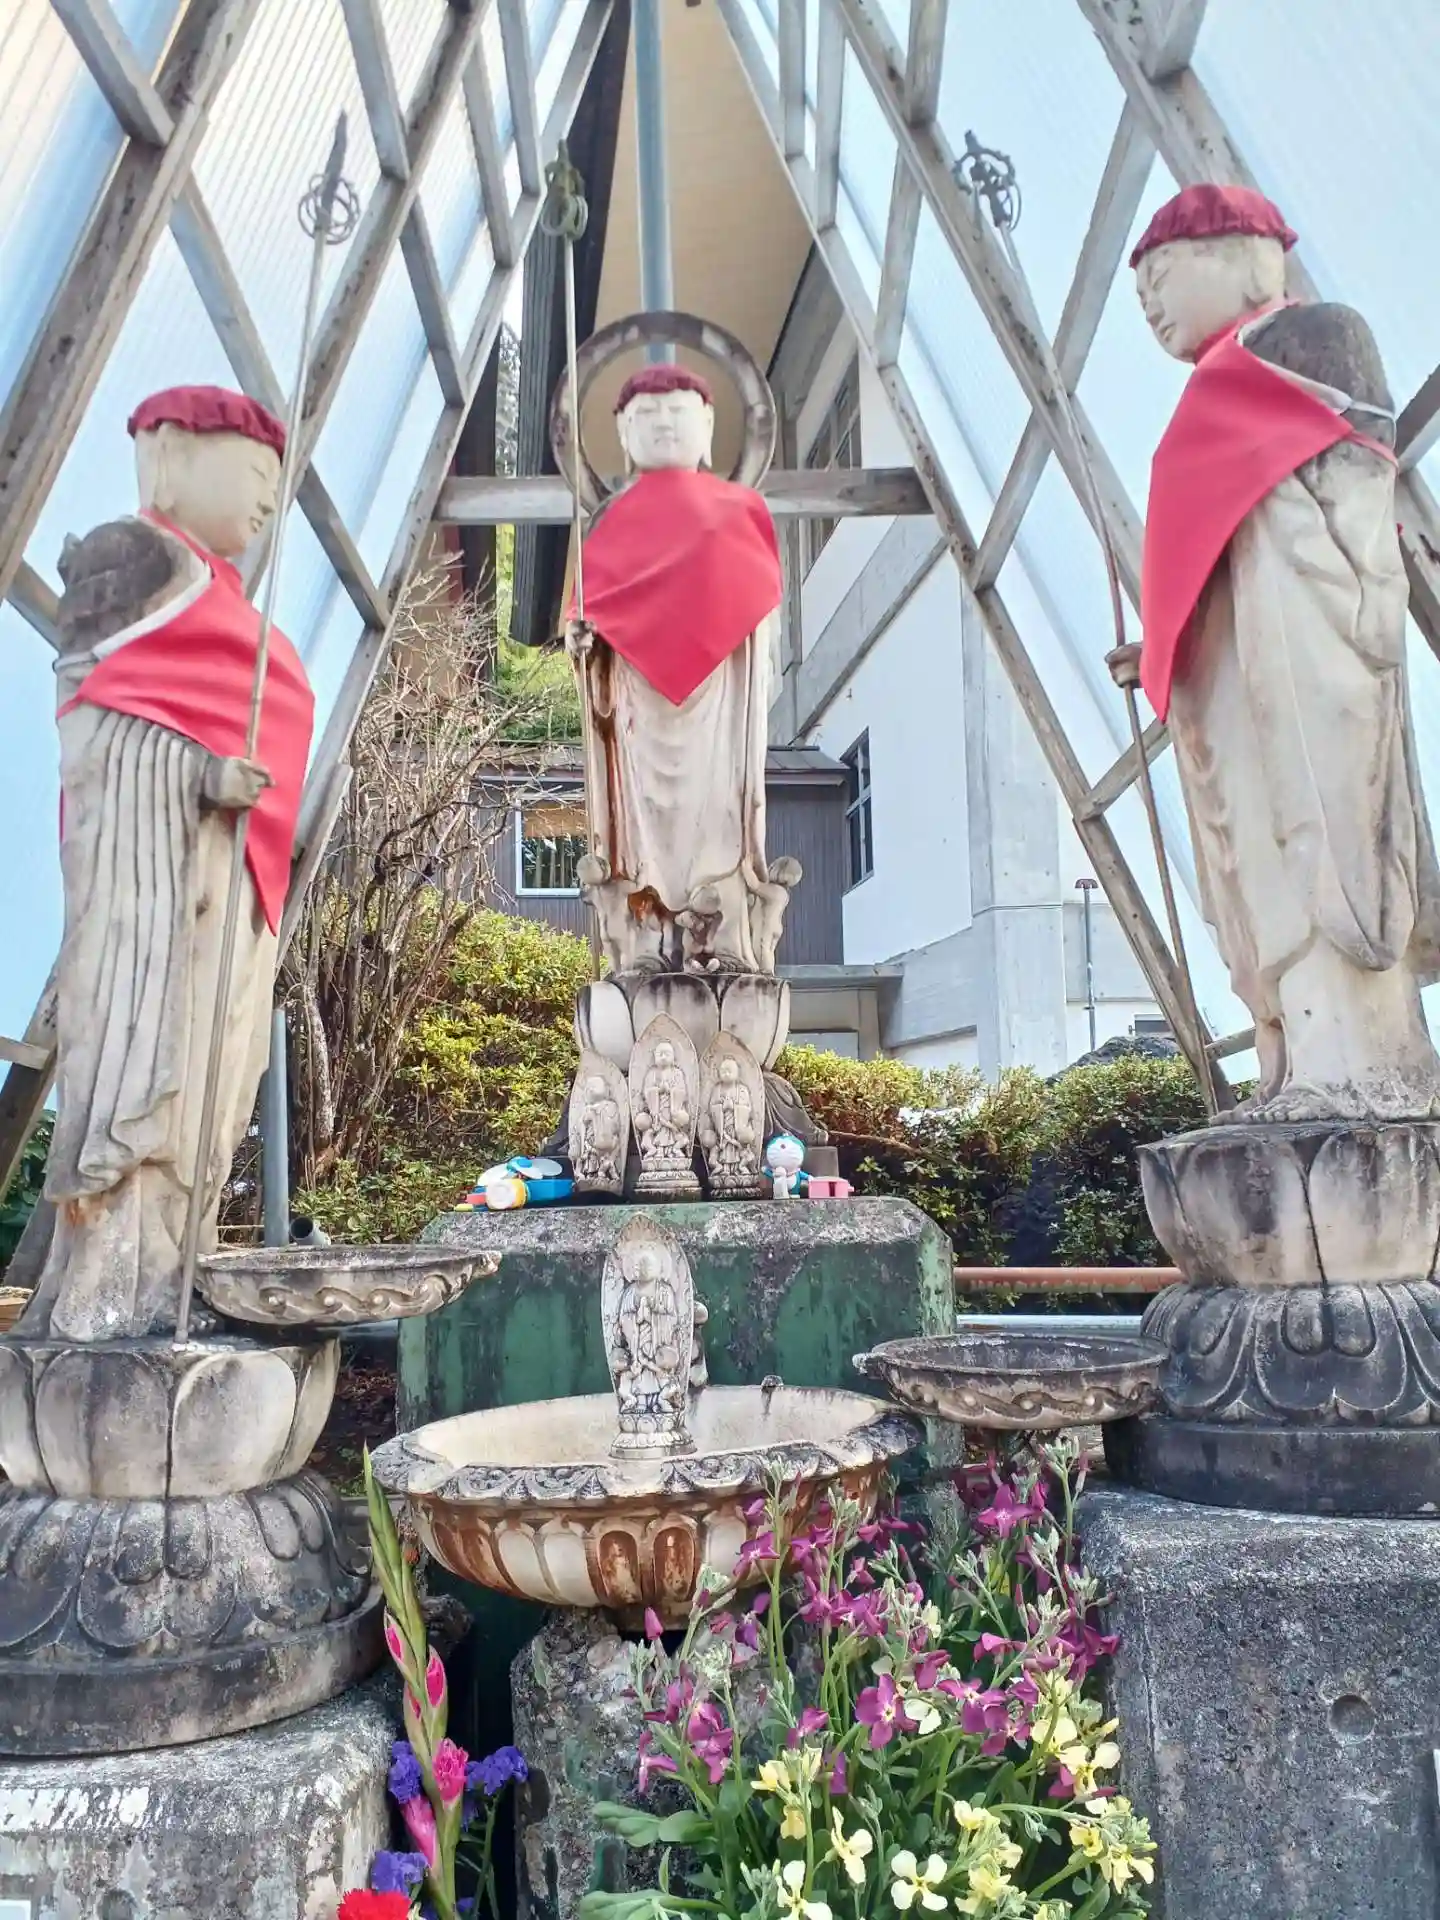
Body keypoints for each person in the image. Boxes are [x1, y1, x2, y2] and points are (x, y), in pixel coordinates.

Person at [1132, 185, 1440, 1121]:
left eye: (1161, 275)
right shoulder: (1212, 387)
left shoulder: (1312, 340)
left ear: (1238, 254)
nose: (1150, 303)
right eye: (1139, 292)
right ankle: (1290, 1054)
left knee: (1317, 826)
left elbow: (1345, 496)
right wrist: (1172, 640)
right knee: (1254, 854)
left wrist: (1260, 562)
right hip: (1238, 673)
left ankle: (1351, 1060)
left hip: (1308, 639)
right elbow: (1215, 547)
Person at [32, 386, 313, 1339]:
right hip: (149, 882)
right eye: (256, 469)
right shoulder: (132, 561)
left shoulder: (219, 589)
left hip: (225, 882)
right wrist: (195, 773)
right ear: (172, 450)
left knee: (209, 1086)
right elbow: (94, 732)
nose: (268, 497)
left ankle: (173, 1275)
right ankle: (113, 1294)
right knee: (151, 1076)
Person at [566, 364, 792, 974]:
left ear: (709, 425)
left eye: (678, 412)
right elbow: (589, 622)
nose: (663, 424)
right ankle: (648, 936)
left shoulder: (740, 508)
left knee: (717, 817)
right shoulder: (610, 520)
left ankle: (722, 934)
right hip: (637, 708)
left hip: (719, 702)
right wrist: (586, 644)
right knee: (643, 822)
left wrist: (737, 634)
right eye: (647, 415)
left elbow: (761, 610)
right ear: (623, 432)